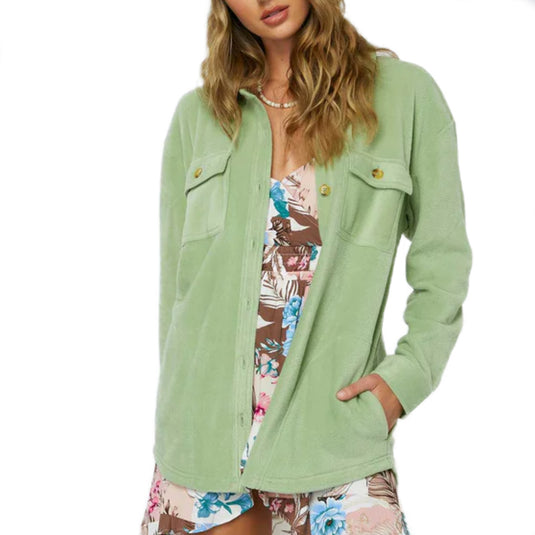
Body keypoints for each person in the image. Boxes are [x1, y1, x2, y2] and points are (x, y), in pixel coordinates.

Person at [140, 1, 472, 534]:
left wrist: (406, 379)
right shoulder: (197, 117)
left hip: (334, 442)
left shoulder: (405, 96)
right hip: (202, 449)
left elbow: (443, 261)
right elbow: (175, 293)